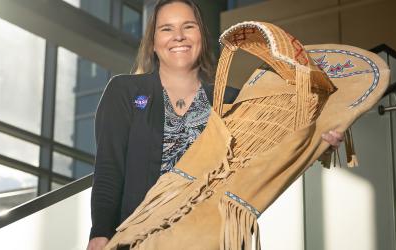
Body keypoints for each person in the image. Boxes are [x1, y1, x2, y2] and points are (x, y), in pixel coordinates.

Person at [86, 1, 344, 249]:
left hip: (214, 240)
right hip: (139, 241)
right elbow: (109, 169)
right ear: (153, 43)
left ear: (202, 36)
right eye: (166, 28)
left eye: (188, 26)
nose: (178, 36)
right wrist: (100, 233)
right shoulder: (124, 91)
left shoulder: (233, 100)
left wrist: (316, 143)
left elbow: (266, 158)